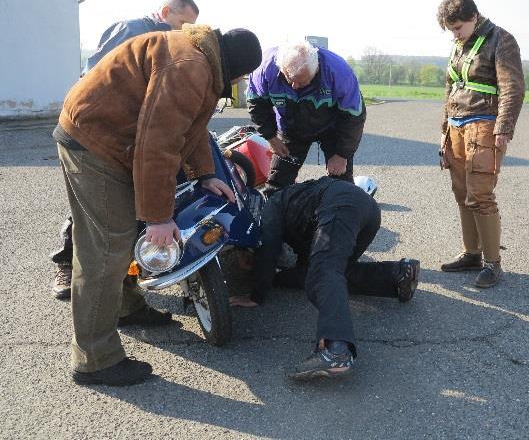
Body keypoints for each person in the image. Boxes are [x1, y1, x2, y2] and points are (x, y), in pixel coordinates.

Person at [55, 23, 262, 386]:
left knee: (117, 241)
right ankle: (94, 360)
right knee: (105, 250)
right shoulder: (190, 68)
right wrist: (159, 217)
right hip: (95, 143)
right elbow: (157, 145)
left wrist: (203, 174)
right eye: (244, 75)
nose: (243, 81)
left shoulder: (202, 56)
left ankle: (126, 307)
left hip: (111, 137)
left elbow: (191, 127)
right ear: (235, 66)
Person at [50, 0, 200, 300]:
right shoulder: (132, 30)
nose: (185, 31)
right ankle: (66, 263)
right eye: (183, 22)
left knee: (127, 204)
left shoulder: (174, 46)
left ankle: (130, 279)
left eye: (191, 26)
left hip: (133, 136)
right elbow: (97, 75)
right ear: (164, 11)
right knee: (96, 206)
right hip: (98, 133)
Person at [241, 176, 420, 381]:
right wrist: (276, 279)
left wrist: (257, 294)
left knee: (323, 272)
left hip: (340, 207)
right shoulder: (296, 203)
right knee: (332, 271)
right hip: (368, 210)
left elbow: (268, 247)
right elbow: (302, 270)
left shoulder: (272, 205)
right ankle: (398, 275)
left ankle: (336, 349)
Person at [437, 0, 525, 288]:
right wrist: (443, 132)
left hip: (484, 127)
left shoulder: (502, 39)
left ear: (474, 17)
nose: (455, 35)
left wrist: (504, 129)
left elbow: (512, 87)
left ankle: (492, 264)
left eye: (458, 28)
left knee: (481, 194)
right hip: (456, 126)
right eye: (451, 31)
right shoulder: (459, 44)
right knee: (461, 192)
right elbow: (450, 88)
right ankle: (472, 254)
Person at [246, 42, 366, 197]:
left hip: (332, 128)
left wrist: (342, 154)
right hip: (290, 127)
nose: (294, 86)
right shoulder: (265, 68)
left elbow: (354, 117)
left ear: (315, 71)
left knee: (341, 181)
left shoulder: (339, 73)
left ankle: (343, 212)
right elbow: (256, 105)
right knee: (277, 183)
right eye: (289, 79)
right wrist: (271, 137)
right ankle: (274, 215)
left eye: (302, 82)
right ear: (282, 68)